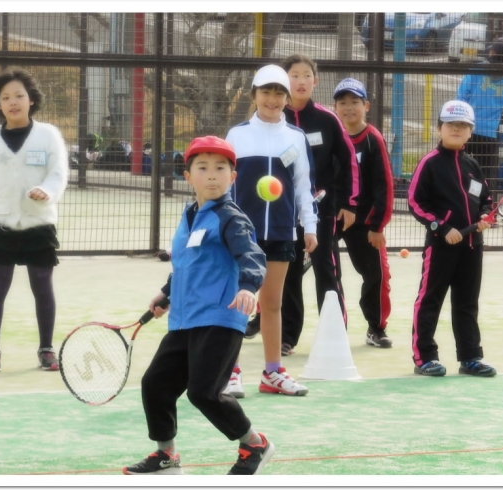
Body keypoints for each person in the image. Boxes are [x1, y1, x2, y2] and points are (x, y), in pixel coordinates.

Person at [123, 136, 273, 476]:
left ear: (232, 178)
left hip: (221, 318)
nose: (212, 175)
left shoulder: (232, 218)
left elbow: (251, 255)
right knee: (155, 385)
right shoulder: (189, 216)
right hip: (184, 320)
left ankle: (255, 444)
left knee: (204, 392)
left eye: (221, 168)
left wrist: (249, 287)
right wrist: (167, 294)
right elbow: (188, 265)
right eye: (202, 168)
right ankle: (166, 455)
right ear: (187, 176)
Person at [0, 67, 68, 373]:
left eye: (19, 95)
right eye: (5, 97)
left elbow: (58, 174)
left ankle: (46, 349)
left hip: (38, 225)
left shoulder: (49, 135)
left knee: (43, 286)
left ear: (31, 99)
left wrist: (47, 191)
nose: (13, 101)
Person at [223, 64, 319, 398]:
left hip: (281, 231)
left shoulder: (295, 138)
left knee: (273, 303)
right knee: (239, 302)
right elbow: (225, 184)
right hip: (241, 235)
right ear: (254, 95)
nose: (273, 99)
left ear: (287, 98)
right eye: (266, 92)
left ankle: (273, 372)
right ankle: (230, 372)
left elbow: (303, 186)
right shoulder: (237, 136)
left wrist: (310, 226)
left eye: (280, 93)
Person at [266, 54, 359, 357]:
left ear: (315, 81)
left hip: (324, 211)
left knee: (327, 271)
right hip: (284, 211)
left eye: (307, 75)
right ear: (284, 81)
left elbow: (348, 164)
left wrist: (348, 203)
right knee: (289, 273)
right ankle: (287, 336)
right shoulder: (273, 121)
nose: (301, 81)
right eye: (295, 75)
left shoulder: (327, 120)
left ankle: (334, 334)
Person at [408, 100, 496, 377]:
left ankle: (470, 357)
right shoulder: (429, 163)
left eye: (463, 126)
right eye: (451, 124)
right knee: (430, 299)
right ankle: (425, 357)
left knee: (467, 302)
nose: (457, 129)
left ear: (470, 132)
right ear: (439, 129)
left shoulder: (473, 165)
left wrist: (484, 218)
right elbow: (415, 202)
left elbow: (487, 200)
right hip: (441, 247)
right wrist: (442, 228)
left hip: (472, 247)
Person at [333, 78, 394, 348]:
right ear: (334, 106)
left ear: (366, 106)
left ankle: (376, 328)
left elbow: (385, 185)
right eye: (343, 102)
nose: (348, 108)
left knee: (377, 275)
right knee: (290, 267)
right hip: (330, 219)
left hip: (365, 224)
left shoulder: (372, 139)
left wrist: (378, 226)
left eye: (354, 102)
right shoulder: (330, 135)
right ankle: (270, 320)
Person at [456, 40, 503, 194]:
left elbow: (461, 98)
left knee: (460, 167)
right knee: (486, 175)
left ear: (492, 52)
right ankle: (485, 209)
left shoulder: (476, 70)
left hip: (467, 129)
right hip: (490, 133)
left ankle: (461, 200)